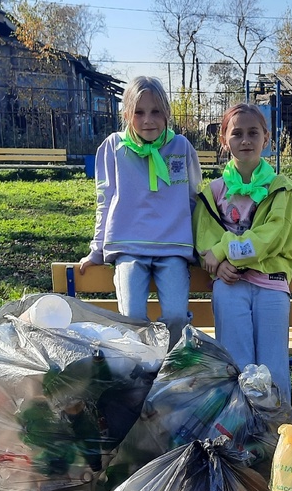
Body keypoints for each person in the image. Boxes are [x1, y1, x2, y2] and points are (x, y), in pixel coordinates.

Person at [78, 76, 202, 346]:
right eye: (139, 112)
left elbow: (194, 200)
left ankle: (170, 375)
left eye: (156, 111)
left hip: (173, 248)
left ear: (167, 113)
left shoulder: (181, 147)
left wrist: (201, 247)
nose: (148, 120)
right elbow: (105, 199)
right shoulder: (113, 147)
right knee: (131, 316)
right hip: (128, 247)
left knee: (176, 316)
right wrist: (97, 249)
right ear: (126, 114)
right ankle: (140, 375)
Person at [194, 103, 292, 399]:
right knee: (236, 362)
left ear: (266, 138)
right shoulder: (212, 192)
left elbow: (272, 237)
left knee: (273, 365)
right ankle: (237, 428)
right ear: (224, 140)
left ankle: (275, 430)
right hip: (229, 286)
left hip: (271, 284)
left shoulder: (281, 188)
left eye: (253, 133)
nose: (245, 140)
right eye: (237, 133)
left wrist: (225, 250)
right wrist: (215, 263)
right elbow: (204, 239)